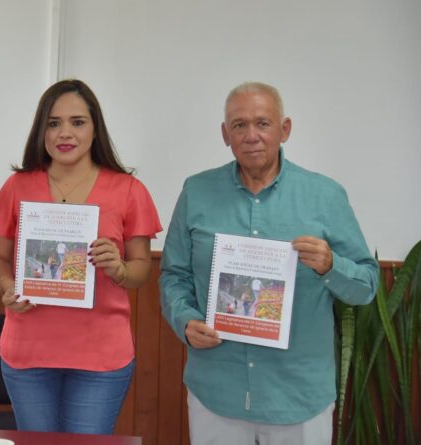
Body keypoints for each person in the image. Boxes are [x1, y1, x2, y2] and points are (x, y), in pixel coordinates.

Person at [159, 82, 379, 444]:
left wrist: (330, 265)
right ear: (225, 134)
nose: (251, 136)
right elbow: (174, 275)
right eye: (239, 125)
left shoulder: (325, 195)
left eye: (263, 123)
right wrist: (185, 320)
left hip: (298, 394)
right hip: (217, 390)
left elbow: (367, 286)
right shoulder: (196, 191)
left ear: (284, 129)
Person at [0, 79, 161, 434]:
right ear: (42, 130)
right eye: (54, 123)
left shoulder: (129, 190)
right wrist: (6, 286)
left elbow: (142, 268)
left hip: (101, 355)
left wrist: (120, 269)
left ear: (95, 129)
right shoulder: (17, 186)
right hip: (28, 351)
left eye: (77, 122)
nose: (65, 133)